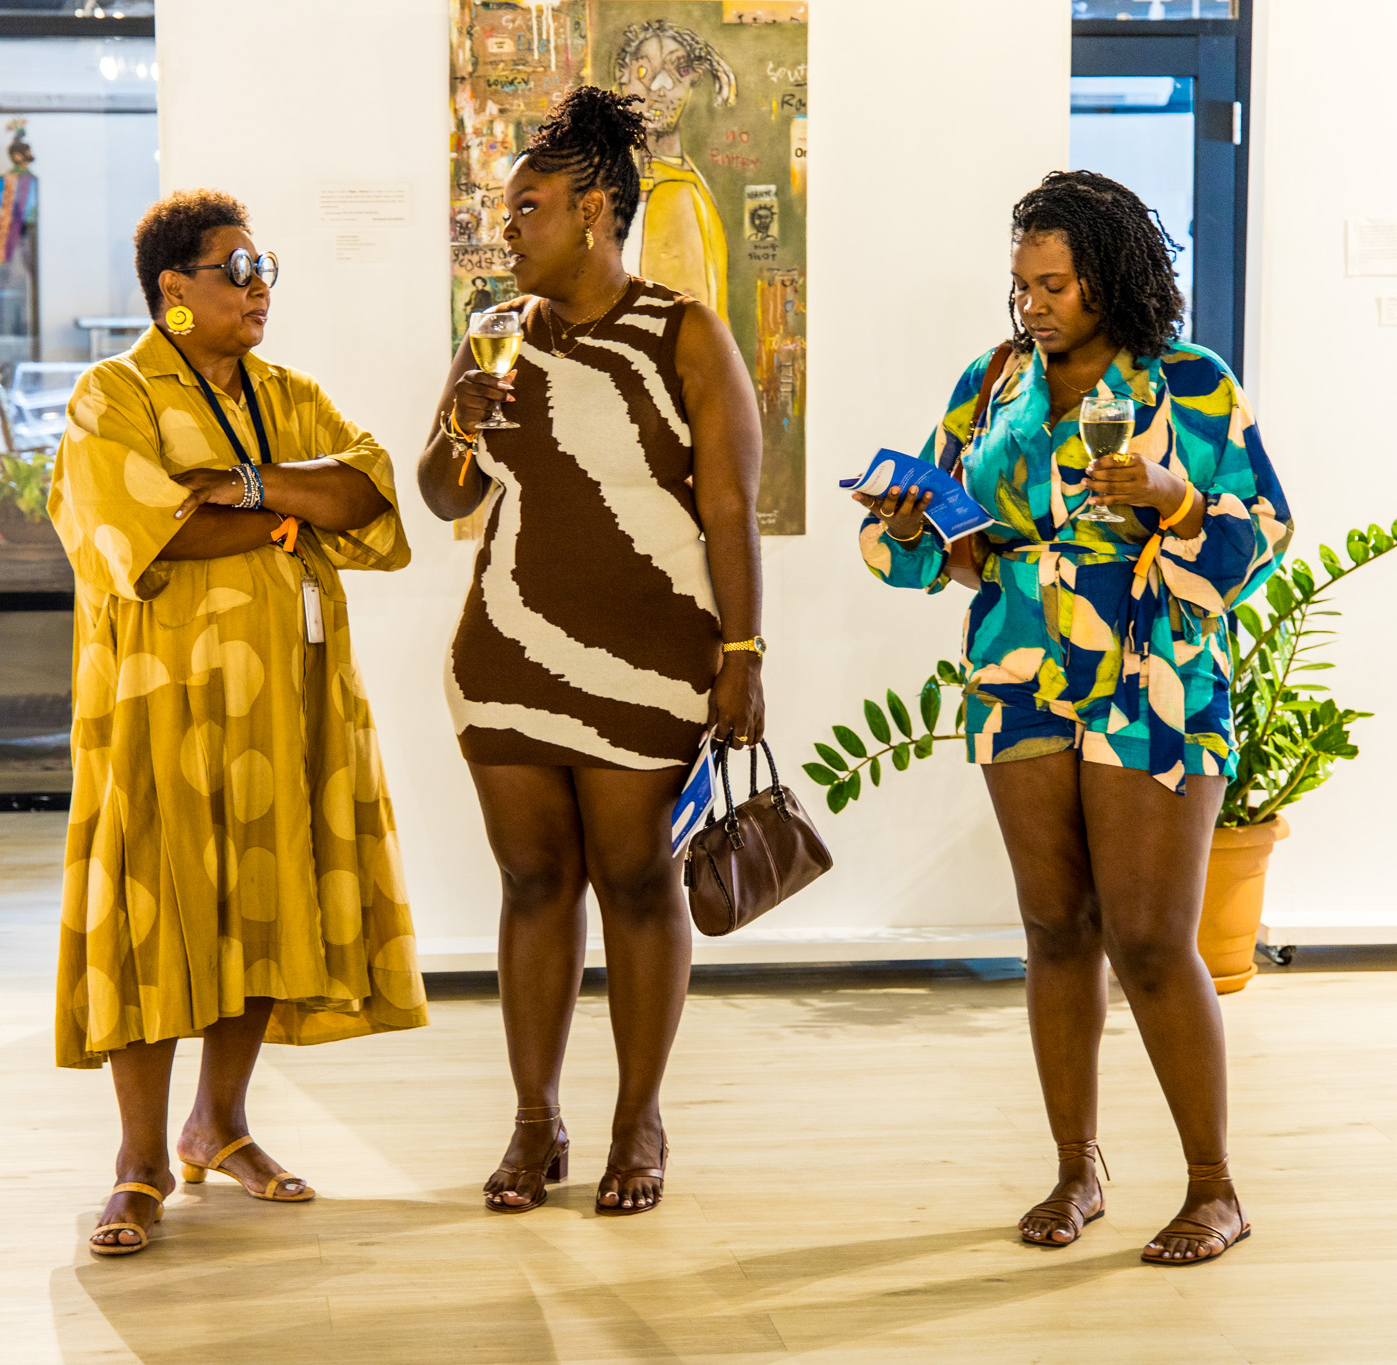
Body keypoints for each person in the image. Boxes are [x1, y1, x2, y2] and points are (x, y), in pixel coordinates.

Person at [853, 171, 1292, 1266]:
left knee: (1149, 939)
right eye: (1022, 285)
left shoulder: (1189, 382)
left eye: (1053, 284)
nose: (1032, 304)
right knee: (1054, 929)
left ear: (1108, 277)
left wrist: (1172, 499)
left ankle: (1214, 1187)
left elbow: (1263, 533)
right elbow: (939, 548)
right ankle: (1074, 1168)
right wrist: (912, 525)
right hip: (1018, 670)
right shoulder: (992, 382)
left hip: (1154, 674)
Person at [49, 188, 427, 1257]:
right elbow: (146, 534)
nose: (261, 287)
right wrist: (281, 519)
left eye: (266, 269)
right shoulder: (112, 396)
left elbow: (366, 494)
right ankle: (136, 1162)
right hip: (160, 706)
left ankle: (217, 1125)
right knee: (154, 910)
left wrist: (245, 487)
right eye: (240, 268)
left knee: (257, 900)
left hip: (285, 699)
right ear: (176, 288)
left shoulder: (285, 395)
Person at [417, 86, 765, 1217]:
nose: (507, 227)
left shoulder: (684, 334)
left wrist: (742, 651)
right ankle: (534, 1121)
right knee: (531, 882)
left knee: (635, 879)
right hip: (508, 652)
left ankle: (637, 1120)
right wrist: (460, 421)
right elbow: (443, 496)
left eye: (528, 207)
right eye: (505, 209)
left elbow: (729, 508)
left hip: (649, 659)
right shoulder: (495, 335)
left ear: (595, 210)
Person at [614, 19, 735, 322]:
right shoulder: (625, 181)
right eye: (644, 71)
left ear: (693, 81)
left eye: (677, 72)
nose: (659, 87)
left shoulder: (676, 191)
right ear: (622, 75)